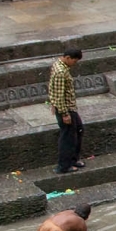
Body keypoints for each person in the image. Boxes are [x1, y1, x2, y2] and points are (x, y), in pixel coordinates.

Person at [48, 44, 84, 173]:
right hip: (66, 109)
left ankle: (73, 159)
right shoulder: (60, 72)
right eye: (74, 61)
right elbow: (58, 94)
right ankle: (64, 165)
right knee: (68, 137)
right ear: (68, 58)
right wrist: (64, 113)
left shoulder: (60, 66)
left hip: (69, 107)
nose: (74, 64)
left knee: (78, 130)